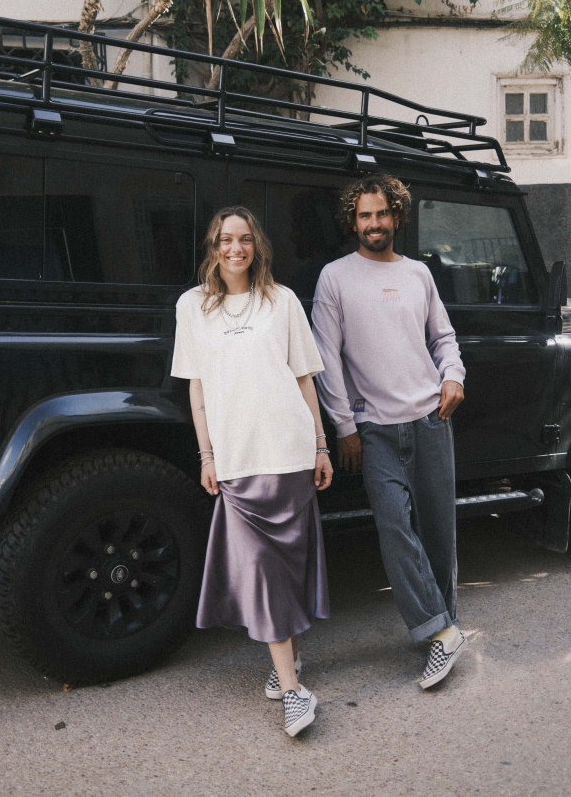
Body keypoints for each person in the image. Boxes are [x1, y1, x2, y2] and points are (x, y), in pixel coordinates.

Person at [171, 206, 333, 736]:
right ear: (213, 247)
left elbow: (304, 378)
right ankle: (294, 688)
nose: (235, 248)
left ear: (256, 245)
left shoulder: (282, 301)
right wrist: (207, 455)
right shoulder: (192, 306)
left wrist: (320, 445)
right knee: (262, 569)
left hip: (288, 451)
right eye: (225, 239)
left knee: (284, 567)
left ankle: (288, 669)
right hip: (238, 459)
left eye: (243, 239)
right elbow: (196, 389)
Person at [311, 176, 467, 689]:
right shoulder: (335, 277)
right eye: (364, 215)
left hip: (431, 420)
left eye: (382, 213)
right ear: (352, 221)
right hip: (374, 429)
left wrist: (453, 376)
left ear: (397, 216)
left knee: (439, 534)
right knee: (395, 530)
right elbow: (325, 358)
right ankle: (440, 631)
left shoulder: (419, 274)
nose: (374, 223)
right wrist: (344, 427)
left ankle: (443, 630)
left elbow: (443, 337)